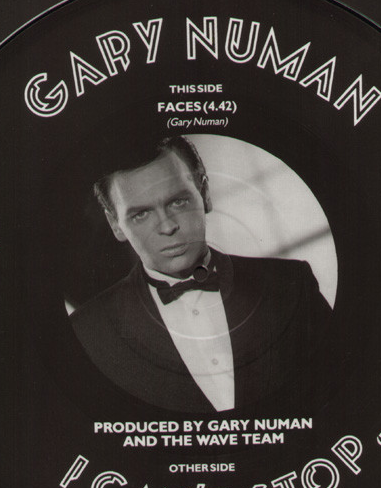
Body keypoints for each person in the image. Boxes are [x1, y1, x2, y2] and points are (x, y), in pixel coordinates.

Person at [71, 136, 331, 412]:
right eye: (141, 214)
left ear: (204, 193)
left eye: (178, 202)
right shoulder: (87, 333)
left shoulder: (292, 284)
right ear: (115, 224)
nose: (167, 227)